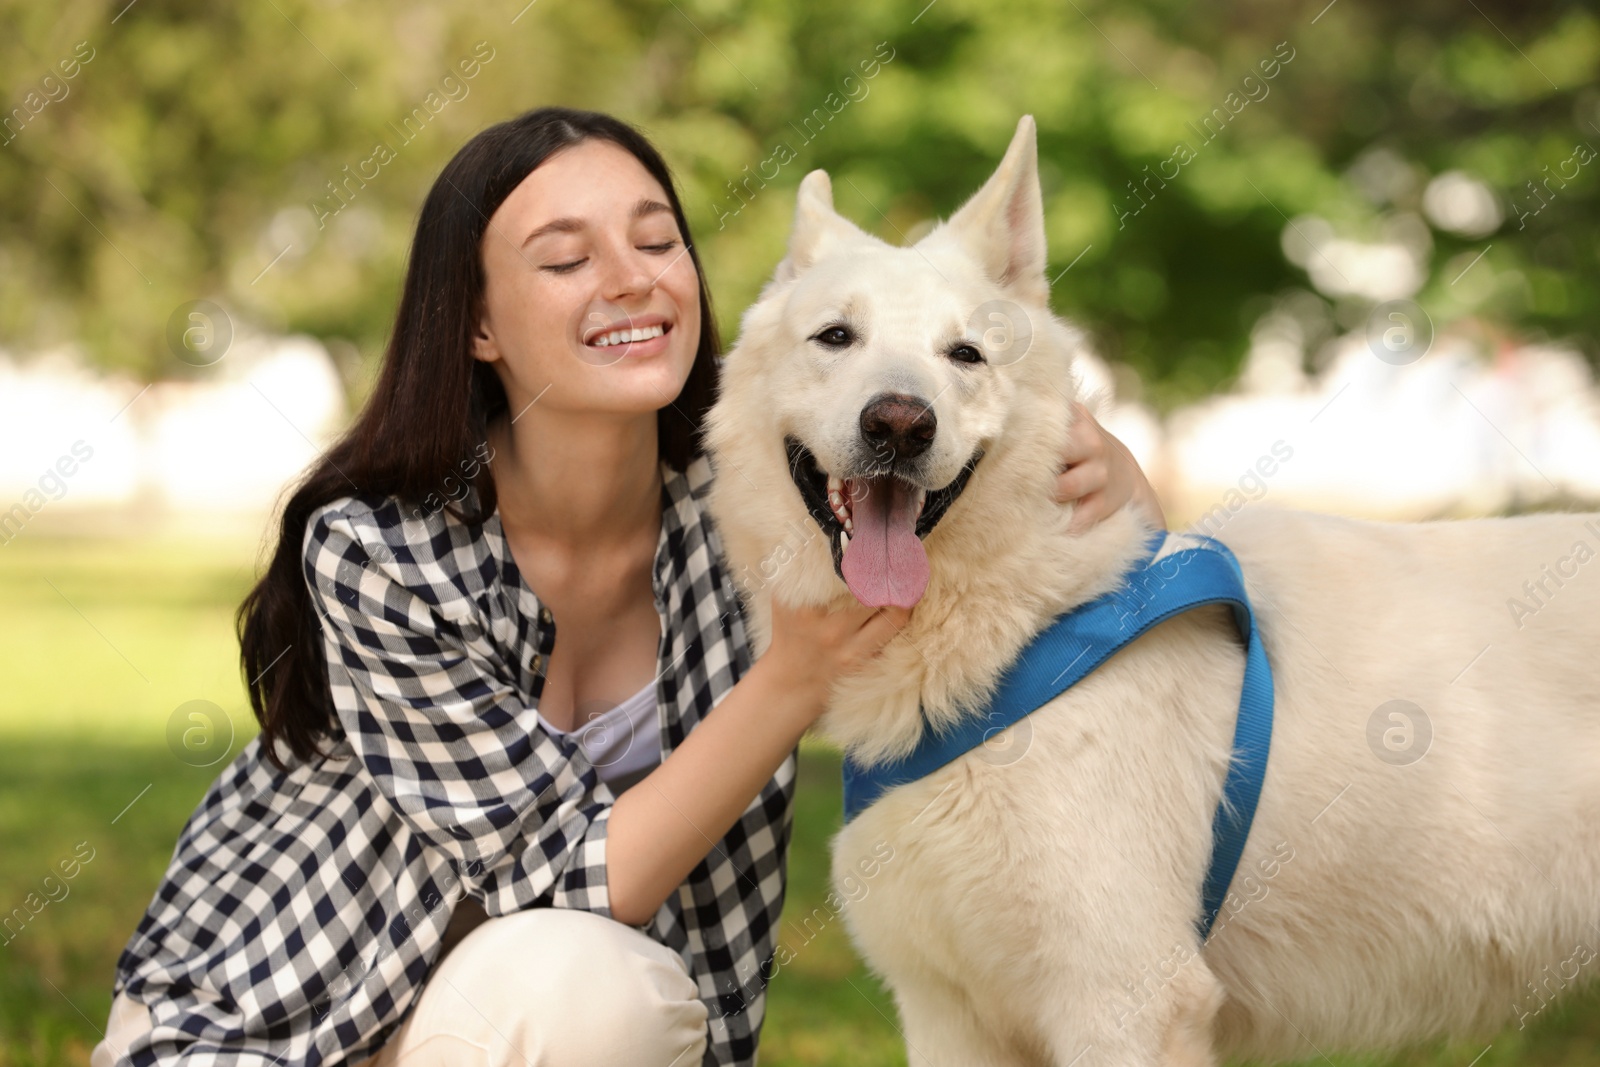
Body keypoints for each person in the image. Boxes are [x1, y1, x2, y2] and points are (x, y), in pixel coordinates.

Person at [92, 106, 1164, 1067]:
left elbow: (1008, 582)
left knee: (601, 995)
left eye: (657, 240)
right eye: (565, 259)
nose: (631, 276)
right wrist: (788, 681)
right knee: (586, 973)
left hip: (514, 1020)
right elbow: (569, 878)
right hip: (275, 1017)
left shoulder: (761, 509)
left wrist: (1110, 481)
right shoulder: (379, 553)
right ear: (475, 323)